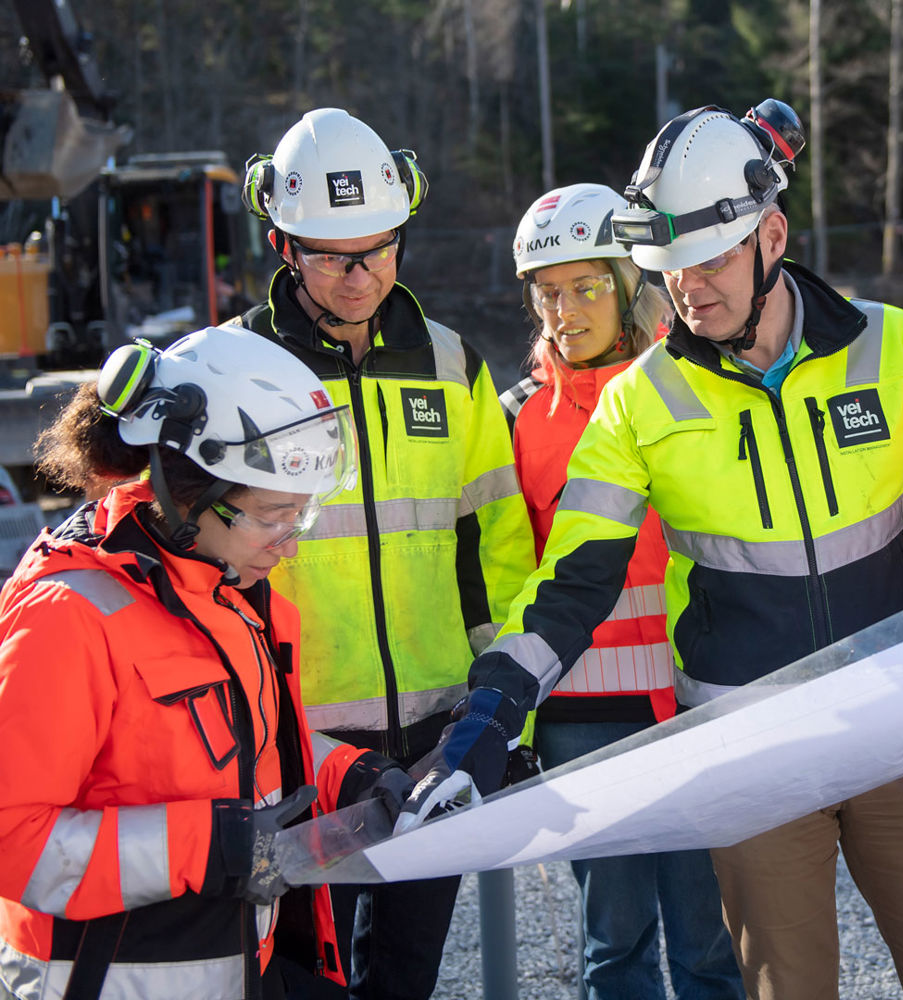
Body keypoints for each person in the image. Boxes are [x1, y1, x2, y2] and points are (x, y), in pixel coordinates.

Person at [397, 100, 903, 1000]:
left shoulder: (890, 346)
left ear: (773, 234)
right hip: (752, 750)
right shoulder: (639, 402)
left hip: (897, 732)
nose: (691, 289)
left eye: (712, 258)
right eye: (671, 267)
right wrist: (487, 719)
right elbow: (572, 583)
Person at [0, 325, 418, 1000]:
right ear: (186, 490)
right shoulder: (69, 615)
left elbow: (225, 741)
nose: (289, 546)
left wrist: (349, 775)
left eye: (301, 516)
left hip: (233, 963)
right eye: (273, 515)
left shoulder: (224, 585)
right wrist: (206, 847)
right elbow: (10, 837)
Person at [237, 108, 536, 999]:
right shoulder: (240, 369)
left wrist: (496, 702)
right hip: (297, 741)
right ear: (284, 245)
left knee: (405, 976)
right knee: (298, 977)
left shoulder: (451, 365)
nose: (360, 276)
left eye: (379, 248)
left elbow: (495, 545)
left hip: (437, 736)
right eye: (333, 256)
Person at [500, 182, 743, 1000]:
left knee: (710, 944)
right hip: (581, 721)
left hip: (694, 702)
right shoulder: (520, 418)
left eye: (587, 286)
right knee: (616, 947)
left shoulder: (696, 388)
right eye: (549, 293)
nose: (564, 311)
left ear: (633, 282)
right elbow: (518, 577)